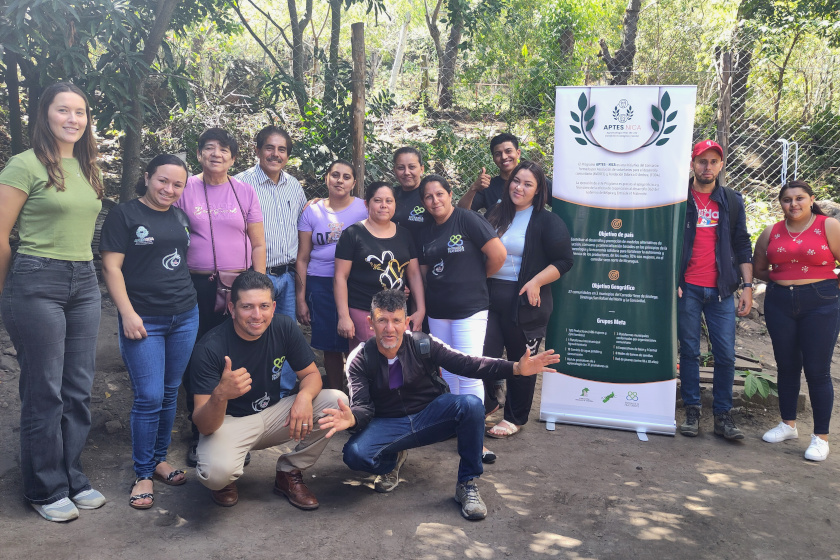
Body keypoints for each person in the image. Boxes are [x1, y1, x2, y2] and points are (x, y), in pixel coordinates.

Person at [318, 289, 559, 520]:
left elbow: (468, 363)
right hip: (389, 423)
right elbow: (362, 407)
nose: (389, 329)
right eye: (382, 320)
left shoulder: (423, 343)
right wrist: (353, 419)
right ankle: (390, 460)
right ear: (370, 323)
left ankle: (467, 484)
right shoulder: (360, 358)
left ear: (406, 322)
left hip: (430, 416)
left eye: (396, 320)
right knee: (355, 454)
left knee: (471, 405)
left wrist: (516, 368)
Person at [0, 82, 106, 522]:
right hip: (36, 279)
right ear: (45, 114)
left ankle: (72, 477)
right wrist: (4, 292)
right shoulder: (24, 165)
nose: (72, 119)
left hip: (84, 281)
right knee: (44, 390)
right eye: (63, 110)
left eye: (80, 112)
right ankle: (44, 489)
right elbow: (1, 234)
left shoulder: (88, 167)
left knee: (77, 388)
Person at [190, 271, 348, 508]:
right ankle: (227, 478)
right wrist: (220, 395)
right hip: (228, 423)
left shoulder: (283, 327)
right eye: (247, 307)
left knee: (336, 401)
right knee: (215, 475)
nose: (257, 315)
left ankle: (289, 471)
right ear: (232, 309)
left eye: (264, 306)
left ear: (273, 307)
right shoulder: (209, 348)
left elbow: (311, 375)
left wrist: (304, 397)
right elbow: (204, 425)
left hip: (273, 414)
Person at [100, 155, 198, 509]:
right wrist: (127, 314)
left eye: (177, 184)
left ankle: (158, 460)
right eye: (162, 181)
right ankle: (142, 472)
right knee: (149, 396)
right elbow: (111, 267)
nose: (169, 189)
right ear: (146, 177)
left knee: (170, 392)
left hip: (185, 315)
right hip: (143, 319)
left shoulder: (180, 217)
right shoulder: (124, 215)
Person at [173, 127, 266, 467]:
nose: (216, 154)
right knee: (197, 353)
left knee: (237, 351)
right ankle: (200, 429)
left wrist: (258, 284)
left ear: (233, 157)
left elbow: (258, 242)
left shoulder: (245, 192)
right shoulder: (184, 189)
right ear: (199, 154)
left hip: (238, 286)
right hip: (195, 286)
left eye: (224, 149)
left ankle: (236, 427)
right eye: (209, 148)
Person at [418, 174, 507, 462]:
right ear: (424, 202)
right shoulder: (426, 231)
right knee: (449, 373)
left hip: (470, 309)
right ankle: (459, 427)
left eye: (439, 194)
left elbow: (498, 255)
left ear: (450, 194)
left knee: (469, 371)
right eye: (429, 197)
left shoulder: (467, 219)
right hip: (438, 311)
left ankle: (475, 442)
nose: (435, 200)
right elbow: (424, 272)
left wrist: (475, 279)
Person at [483, 161, 573, 438]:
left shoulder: (547, 220)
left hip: (525, 301)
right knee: (482, 353)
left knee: (522, 359)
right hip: (489, 296)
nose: (519, 188)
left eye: (527, 184)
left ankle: (515, 417)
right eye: (515, 181)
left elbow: (564, 260)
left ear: (538, 190)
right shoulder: (495, 213)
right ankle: (487, 404)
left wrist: (536, 281)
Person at [752, 180, 840, 461]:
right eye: (787, 199)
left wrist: (826, 287)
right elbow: (759, 269)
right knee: (787, 365)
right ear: (781, 203)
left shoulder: (828, 226)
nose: (793, 204)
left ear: (811, 199)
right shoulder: (771, 231)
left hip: (820, 302)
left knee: (817, 370)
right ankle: (788, 425)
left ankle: (820, 437)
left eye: (799, 198)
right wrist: (785, 279)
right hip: (779, 302)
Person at [678, 140, 753, 440]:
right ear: (693, 164)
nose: (707, 167)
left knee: (725, 354)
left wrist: (747, 287)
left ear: (720, 165)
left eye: (713, 161)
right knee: (689, 351)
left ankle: (723, 415)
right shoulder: (679, 198)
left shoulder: (732, 201)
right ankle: (692, 410)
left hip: (721, 290)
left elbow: (742, 243)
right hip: (688, 288)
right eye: (701, 161)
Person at [296, 160, 367, 389]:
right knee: (330, 345)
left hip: (355, 282)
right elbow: (302, 258)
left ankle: (359, 394)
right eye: (335, 175)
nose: (340, 180)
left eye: (346, 177)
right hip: (320, 284)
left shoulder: (364, 208)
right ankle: (336, 395)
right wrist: (301, 299)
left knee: (357, 341)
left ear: (354, 183)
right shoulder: (312, 211)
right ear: (326, 178)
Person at [335, 181, 426, 353]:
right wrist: (344, 316)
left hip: (398, 312)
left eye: (389, 201)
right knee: (369, 360)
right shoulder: (352, 234)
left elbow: (414, 274)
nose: (384, 205)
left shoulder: (405, 235)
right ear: (367, 203)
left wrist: (420, 309)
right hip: (364, 311)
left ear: (395, 204)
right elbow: (340, 277)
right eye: (377, 200)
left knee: (401, 359)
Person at [235, 126, 304, 320]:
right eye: (269, 148)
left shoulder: (294, 186)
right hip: (255, 275)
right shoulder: (241, 185)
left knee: (286, 332)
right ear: (257, 151)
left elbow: (303, 225)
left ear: (287, 156)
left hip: (289, 277)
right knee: (256, 330)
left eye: (282, 149)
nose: (275, 154)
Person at [457, 133, 521, 215]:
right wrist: (474, 188)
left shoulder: (531, 180)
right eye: (498, 154)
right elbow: (461, 212)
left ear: (518, 153)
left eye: (508, 151)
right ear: (493, 158)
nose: (504, 157)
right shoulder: (488, 186)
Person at [391, 147, 431, 242]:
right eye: (401, 168)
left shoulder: (431, 196)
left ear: (421, 169)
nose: (406, 172)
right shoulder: (390, 195)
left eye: (412, 167)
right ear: (394, 170)